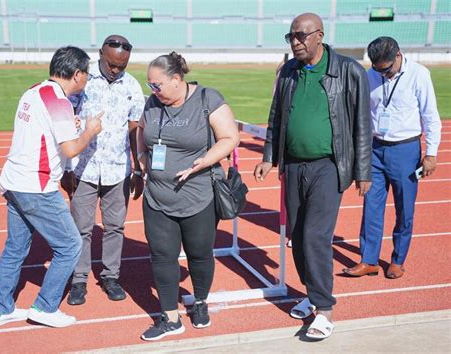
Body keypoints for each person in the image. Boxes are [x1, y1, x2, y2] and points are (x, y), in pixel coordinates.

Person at [253, 13, 372, 339]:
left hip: (328, 166)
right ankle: (311, 293)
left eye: (301, 36)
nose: (295, 42)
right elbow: (276, 115)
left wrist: (363, 170)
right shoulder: (289, 71)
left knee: (315, 238)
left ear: (319, 35)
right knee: (296, 238)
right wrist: (269, 156)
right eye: (290, 36)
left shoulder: (349, 71)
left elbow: (362, 122)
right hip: (292, 166)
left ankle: (324, 310)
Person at [0, 46, 103, 328]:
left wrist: (71, 126)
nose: (87, 79)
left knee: (15, 247)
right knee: (70, 245)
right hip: (35, 185)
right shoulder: (59, 103)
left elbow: (46, 132)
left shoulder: (34, 91)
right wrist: (89, 130)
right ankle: (45, 307)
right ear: (76, 74)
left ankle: (0, 309)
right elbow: (73, 149)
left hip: (13, 181)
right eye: (86, 74)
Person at [136, 52, 239, 341]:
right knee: (162, 255)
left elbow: (230, 137)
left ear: (177, 80)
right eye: (150, 86)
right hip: (157, 196)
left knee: (199, 254)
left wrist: (204, 162)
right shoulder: (153, 103)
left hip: (198, 195)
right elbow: (141, 129)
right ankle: (170, 317)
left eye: (157, 85)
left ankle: (201, 301)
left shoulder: (208, 99)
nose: (153, 91)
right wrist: (141, 156)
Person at [343, 37, 441, 279]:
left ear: (398, 56)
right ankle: (369, 259)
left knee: (404, 209)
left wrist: (431, 153)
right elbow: (363, 115)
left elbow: (431, 116)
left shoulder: (419, 75)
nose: (382, 74)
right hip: (375, 149)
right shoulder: (370, 75)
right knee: (371, 207)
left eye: (386, 69)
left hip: (405, 151)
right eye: (378, 69)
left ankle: (397, 260)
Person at [63, 35, 145, 305]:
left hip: (117, 170)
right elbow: (64, 123)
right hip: (83, 169)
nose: (115, 70)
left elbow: (135, 129)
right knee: (81, 229)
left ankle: (111, 276)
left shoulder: (132, 86)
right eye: (111, 64)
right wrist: (66, 167)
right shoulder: (82, 83)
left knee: (115, 227)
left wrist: (138, 169)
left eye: (121, 66)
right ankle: (79, 279)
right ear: (100, 54)